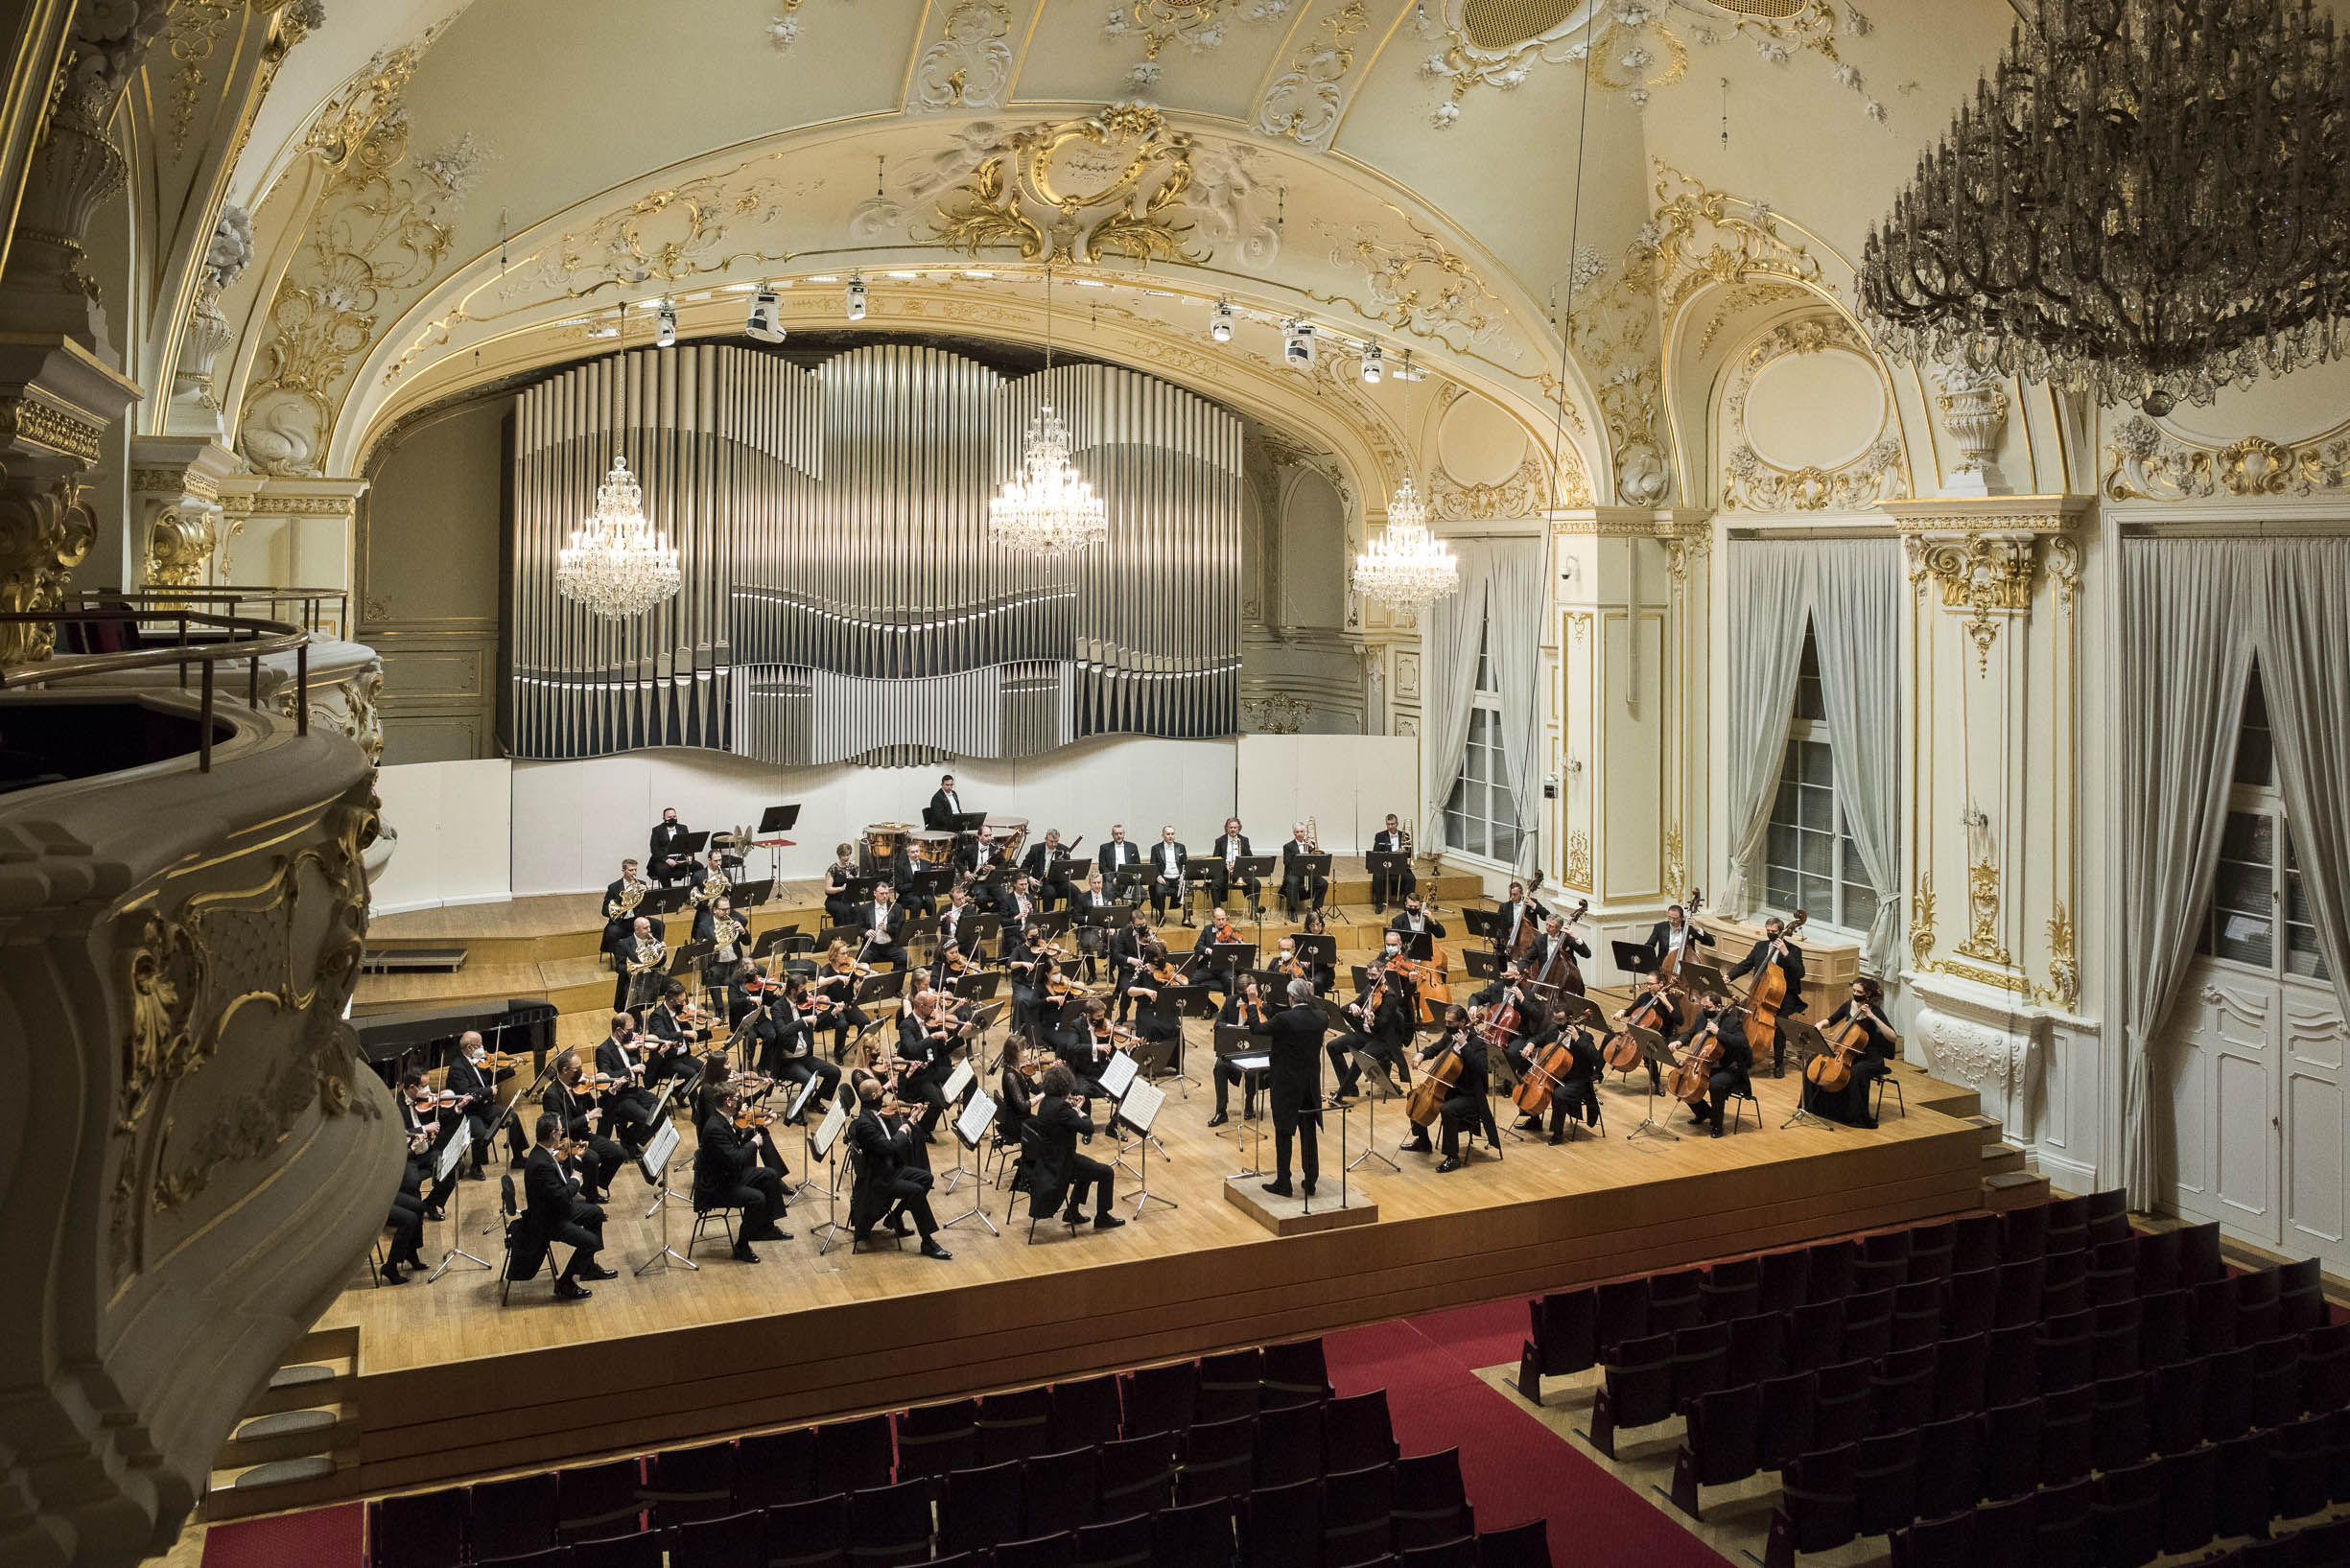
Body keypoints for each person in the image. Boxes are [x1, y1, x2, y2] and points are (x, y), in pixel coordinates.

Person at [848, 1077, 952, 1258]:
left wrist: (910, 1119)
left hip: (889, 1169)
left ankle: (895, 1217)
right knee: (916, 1190)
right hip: (880, 1178)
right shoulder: (865, 1123)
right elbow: (890, 1147)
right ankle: (927, 1242)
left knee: (927, 1178)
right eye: (881, 1091)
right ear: (874, 1096)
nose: (884, 1093)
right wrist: (907, 1126)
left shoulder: (873, 1113)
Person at [695, 1086, 790, 1261]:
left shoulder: (725, 1119)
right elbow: (736, 1159)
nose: (741, 1101)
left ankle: (766, 1228)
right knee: (757, 1198)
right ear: (728, 1102)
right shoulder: (715, 1127)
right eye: (738, 1097)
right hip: (717, 1186)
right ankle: (741, 1247)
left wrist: (754, 1131)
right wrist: (754, 1143)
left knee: (770, 1175)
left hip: (728, 1175)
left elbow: (734, 1148)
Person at [523, 1113, 612, 1299]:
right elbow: (563, 1196)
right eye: (560, 1130)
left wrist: (576, 1158)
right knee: (591, 1242)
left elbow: (558, 1180)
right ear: (553, 1134)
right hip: (549, 1220)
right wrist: (576, 1178)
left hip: (557, 1209)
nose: (563, 1133)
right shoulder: (540, 1164)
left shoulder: (544, 1152)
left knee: (596, 1213)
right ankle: (564, 1283)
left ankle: (588, 1267)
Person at [1028, 1064, 1125, 1229]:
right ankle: (1102, 1217)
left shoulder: (1047, 1102)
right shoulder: (1061, 1107)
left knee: (1087, 1168)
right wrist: (1080, 1112)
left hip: (1050, 1158)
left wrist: (1073, 1109)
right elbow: (1088, 1128)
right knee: (1106, 1172)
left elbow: (1065, 1119)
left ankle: (1072, 1211)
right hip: (1061, 1163)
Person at [1401, 1006, 1491, 1173]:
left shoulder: (1477, 1043)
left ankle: (1453, 1157)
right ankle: (1423, 1141)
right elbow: (1435, 1048)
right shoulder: (1450, 1036)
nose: (1447, 1025)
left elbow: (1481, 1069)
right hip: (1450, 1088)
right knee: (1414, 1095)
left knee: (1447, 1109)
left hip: (1470, 1094)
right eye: (1446, 1022)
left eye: (1450, 1022)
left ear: (1462, 1022)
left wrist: (1464, 1046)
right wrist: (1421, 1054)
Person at [1263, 979, 1327, 1198]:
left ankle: (1284, 1183)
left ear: (1290, 998)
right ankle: (1311, 1181)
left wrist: (1253, 1003)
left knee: (1284, 1132)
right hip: (1309, 1085)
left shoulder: (1284, 1019)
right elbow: (1314, 1009)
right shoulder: (1321, 1018)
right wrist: (1311, 995)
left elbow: (1257, 1028)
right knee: (1308, 1133)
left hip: (1287, 1084)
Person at [1723, 916, 1806, 1075]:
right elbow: (1746, 964)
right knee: (1737, 1014)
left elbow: (1800, 973)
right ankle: (1741, 1055)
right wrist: (1730, 976)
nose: (1770, 934)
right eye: (1768, 931)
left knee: (1779, 1025)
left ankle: (1779, 1063)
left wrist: (1785, 952)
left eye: (1774, 931)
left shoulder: (1794, 950)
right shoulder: (1760, 946)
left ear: (1781, 932)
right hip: (1759, 993)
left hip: (1783, 995)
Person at [541, 1050, 623, 1202]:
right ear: (565, 1070)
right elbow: (562, 1127)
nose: (581, 1071)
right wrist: (587, 1117)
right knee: (592, 1158)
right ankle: (591, 1198)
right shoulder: (551, 1095)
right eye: (577, 1068)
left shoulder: (580, 1086)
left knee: (618, 1154)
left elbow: (596, 1107)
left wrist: (612, 1091)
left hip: (583, 1135)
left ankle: (589, 1187)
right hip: (565, 1142)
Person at [1811, 979, 1895, 1128]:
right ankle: (1819, 1108)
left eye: (1859, 992)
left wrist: (1873, 1017)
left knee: (1855, 1072)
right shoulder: (1848, 1005)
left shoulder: (1875, 1012)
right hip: (1848, 1053)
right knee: (1813, 1061)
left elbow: (1892, 1037)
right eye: (1854, 991)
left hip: (1869, 1057)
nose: (1855, 994)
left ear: (1868, 994)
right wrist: (1820, 1024)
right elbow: (1831, 1020)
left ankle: (1855, 1116)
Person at [1333, 954, 1415, 1102]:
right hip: (1366, 1035)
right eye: (1368, 974)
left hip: (1382, 1040)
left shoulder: (1390, 996)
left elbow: (1382, 1024)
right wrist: (1353, 1006)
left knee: (1360, 1057)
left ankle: (1341, 1093)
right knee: (1333, 1047)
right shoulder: (1369, 989)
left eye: (1374, 975)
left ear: (1382, 975)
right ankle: (1350, 1088)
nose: (1370, 978)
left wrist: (1370, 1017)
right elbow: (1353, 1004)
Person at [1671, 993, 1752, 1137]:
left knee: (1715, 1084)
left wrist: (1718, 1032)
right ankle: (1703, 1113)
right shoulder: (1702, 1017)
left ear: (1718, 1007)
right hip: (1706, 1064)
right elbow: (1691, 1033)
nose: (1704, 1010)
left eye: (1708, 1007)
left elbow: (1743, 1043)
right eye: (1703, 1006)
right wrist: (1680, 1041)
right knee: (1683, 1080)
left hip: (1729, 1067)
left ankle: (1717, 1125)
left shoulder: (1732, 1022)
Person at [1512, 1022, 1603, 1143]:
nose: (1557, 1021)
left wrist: (1578, 1039)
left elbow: (1597, 1059)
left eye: (1561, 1018)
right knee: (1528, 1084)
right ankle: (1535, 1121)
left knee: (1558, 1094)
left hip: (1577, 1080)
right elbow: (1538, 1038)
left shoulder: (1584, 1037)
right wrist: (1530, 1044)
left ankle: (1557, 1133)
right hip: (1556, 1075)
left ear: (1569, 1019)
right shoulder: (1553, 1029)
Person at [442, 1030, 513, 1176]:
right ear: (470, 1048)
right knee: (481, 1134)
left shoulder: (478, 1062)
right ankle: (476, 1167)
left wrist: (510, 1069)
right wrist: (488, 1091)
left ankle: (518, 1157)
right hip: (469, 1111)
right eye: (480, 1045)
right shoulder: (457, 1068)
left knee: (512, 1117)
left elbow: (490, 1080)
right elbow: (466, 1092)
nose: (483, 1048)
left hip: (485, 1107)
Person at [593, 1012, 662, 1152]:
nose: (633, 1033)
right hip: (620, 1097)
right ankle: (629, 1143)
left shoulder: (631, 1045)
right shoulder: (603, 1050)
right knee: (646, 1118)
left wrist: (659, 1054)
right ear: (619, 1031)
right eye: (629, 1030)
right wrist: (630, 1070)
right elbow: (606, 1077)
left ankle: (629, 1139)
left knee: (661, 1111)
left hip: (636, 1091)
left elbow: (644, 1068)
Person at [1210, 976, 1269, 1126]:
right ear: (1240, 993)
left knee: (1252, 1072)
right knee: (1219, 1067)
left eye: (1254, 993)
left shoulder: (1263, 1005)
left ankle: (1249, 1103)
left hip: (1255, 1050)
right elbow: (1218, 1024)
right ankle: (1221, 1110)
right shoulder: (1231, 1002)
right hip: (1234, 1049)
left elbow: (1268, 1030)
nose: (1251, 998)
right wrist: (1233, 1028)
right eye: (1248, 995)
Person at [1642, 901, 1716, 978]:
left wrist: (1698, 928)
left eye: (1675, 919)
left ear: (1682, 918)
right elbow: (1650, 945)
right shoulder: (1660, 927)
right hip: (1665, 966)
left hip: (1685, 966)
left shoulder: (1689, 927)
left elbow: (1711, 942)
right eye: (1669, 918)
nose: (1671, 921)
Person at [614, 915, 668, 1015]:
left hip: (653, 976)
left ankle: (665, 1017)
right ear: (637, 929)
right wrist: (633, 969)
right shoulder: (624, 944)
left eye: (649, 927)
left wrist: (663, 953)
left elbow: (660, 962)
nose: (649, 930)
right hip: (633, 979)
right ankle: (636, 1022)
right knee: (633, 997)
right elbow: (619, 967)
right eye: (645, 928)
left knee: (676, 986)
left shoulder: (653, 941)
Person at [1207, 817, 1259, 915]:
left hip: (1241, 872)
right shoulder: (1220, 841)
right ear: (1226, 828)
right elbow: (1216, 858)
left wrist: (1239, 864)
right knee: (1215, 884)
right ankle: (1217, 911)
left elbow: (1249, 857)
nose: (1233, 830)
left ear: (1239, 829)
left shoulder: (1244, 840)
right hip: (1225, 872)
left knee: (1256, 883)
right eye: (1230, 827)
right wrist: (1226, 865)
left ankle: (1254, 911)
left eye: (1235, 827)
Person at [600, 858, 650, 958]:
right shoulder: (614, 887)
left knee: (659, 925)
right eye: (631, 870)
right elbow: (604, 911)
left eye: (635, 870)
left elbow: (648, 906)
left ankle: (651, 953)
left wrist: (647, 894)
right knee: (612, 932)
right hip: (621, 922)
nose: (634, 873)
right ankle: (620, 960)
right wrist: (621, 908)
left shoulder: (642, 884)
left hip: (637, 920)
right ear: (623, 871)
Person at [1366, 814, 1416, 912]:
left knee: (1411, 878)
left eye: (1392, 824)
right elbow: (1376, 853)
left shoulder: (1405, 836)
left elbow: (1409, 854)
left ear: (1397, 824)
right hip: (1385, 866)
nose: (1390, 826)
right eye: (1388, 824)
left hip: (1399, 866)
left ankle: (1407, 903)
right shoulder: (1380, 836)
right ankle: (1379, 903)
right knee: (1378, 877)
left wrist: (1403, 853)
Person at [856, 882, 908, 971]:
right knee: (861, 961)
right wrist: (866, 932)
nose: (884, 896)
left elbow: (901, 927)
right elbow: (858, 928)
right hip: (872, 946)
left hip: (891, 946)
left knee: (904, 958)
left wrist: (888, 928)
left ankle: (895, 978)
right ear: (875, 893)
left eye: (886, 893)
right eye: (882, 893)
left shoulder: (897, 908)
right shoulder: (864, 909)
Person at [1280, 823, 1327, 918]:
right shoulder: (1288, 846)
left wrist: (1312, 848)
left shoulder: (1310, 845)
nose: (1300, 834)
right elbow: (1287, 862)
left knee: (1323, 883)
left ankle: (1316, 907)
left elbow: (1317, 860)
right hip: (1294, 873)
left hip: (1308, 873)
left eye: (1301, 831)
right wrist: (1299, 857)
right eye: (1297, 832)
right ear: (1294, 833)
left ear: (1304, 832)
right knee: (1293, 882)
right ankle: (1292, 910)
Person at [1022, 828, 1075, 911]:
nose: (1054, 844)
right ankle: (1048, 918)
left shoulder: (1064, 850)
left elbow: (1067, 868)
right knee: (1050, 893)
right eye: (1051, 841)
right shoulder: (1035, 849)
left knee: (1074, 891)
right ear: (1046, 839)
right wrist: (1030, 878)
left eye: (1056, 841)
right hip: (1041, 883)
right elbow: (1024, 867)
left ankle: (1070, 915)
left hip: (1059, 882)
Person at [1492, 880, 1547, 958]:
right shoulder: (1504, 907)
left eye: (1515, 894)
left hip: (1528, 944)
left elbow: (1546, 916)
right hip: (1511, 942)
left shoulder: (1531, 902)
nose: (1512, 897)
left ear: (1521, 893)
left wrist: (1534, 905)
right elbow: (1499, 926)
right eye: (1511, 894)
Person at [1147, 825, 1187, 922]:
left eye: (1172, 834)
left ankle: (1186, 918)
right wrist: (1158, 877)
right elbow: (1153, 865)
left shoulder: (1181, 847)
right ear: (1163, 835)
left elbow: (1185, 864)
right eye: (1168, 834)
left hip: (1178, 878)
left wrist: (1182, 877)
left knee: (1188, 891)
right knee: (1159, 892)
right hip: (1164, 878)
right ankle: (1162, 916)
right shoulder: (1156, 848)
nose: (1170, 836)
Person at [648, 807, 694, 887]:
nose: (672, 819)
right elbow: (654, 849)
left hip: (681, 859)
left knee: (699, 867)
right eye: (669, 817)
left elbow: (689, 845)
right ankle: (669, 892)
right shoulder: (657, 830)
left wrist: (690, 856)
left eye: (674, 816)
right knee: (662, 870)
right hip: (663, 860)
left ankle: (691, 890)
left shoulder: (683, 828)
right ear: (664, 818)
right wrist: (667, 860)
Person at [822, 842, 861, 927]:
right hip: (834, 899)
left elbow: (860, 886)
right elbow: (827, 889)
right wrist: (841, 888)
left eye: (848, 855)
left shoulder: (853, 868)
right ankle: (840, 934)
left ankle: (854, 934)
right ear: (839, 855)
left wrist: (854, 881)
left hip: (849, 899)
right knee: (842, 911)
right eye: (843, 855)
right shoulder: (833, 869)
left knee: (857, 909)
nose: (846, 857)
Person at [1097, 824, 1140, 892]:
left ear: (1124, 834)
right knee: (1107, 892)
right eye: (1116, 834)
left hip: (1129, 879)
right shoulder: (1104, 848)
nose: (1119, 836)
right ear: (1112, 834)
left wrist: (1132, 878)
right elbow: (1102, 867)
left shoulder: (1132, 846)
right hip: (1111, 880)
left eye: (1121, 833)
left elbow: (1137, 864)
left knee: (1142, 893)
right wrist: (1112, 878)